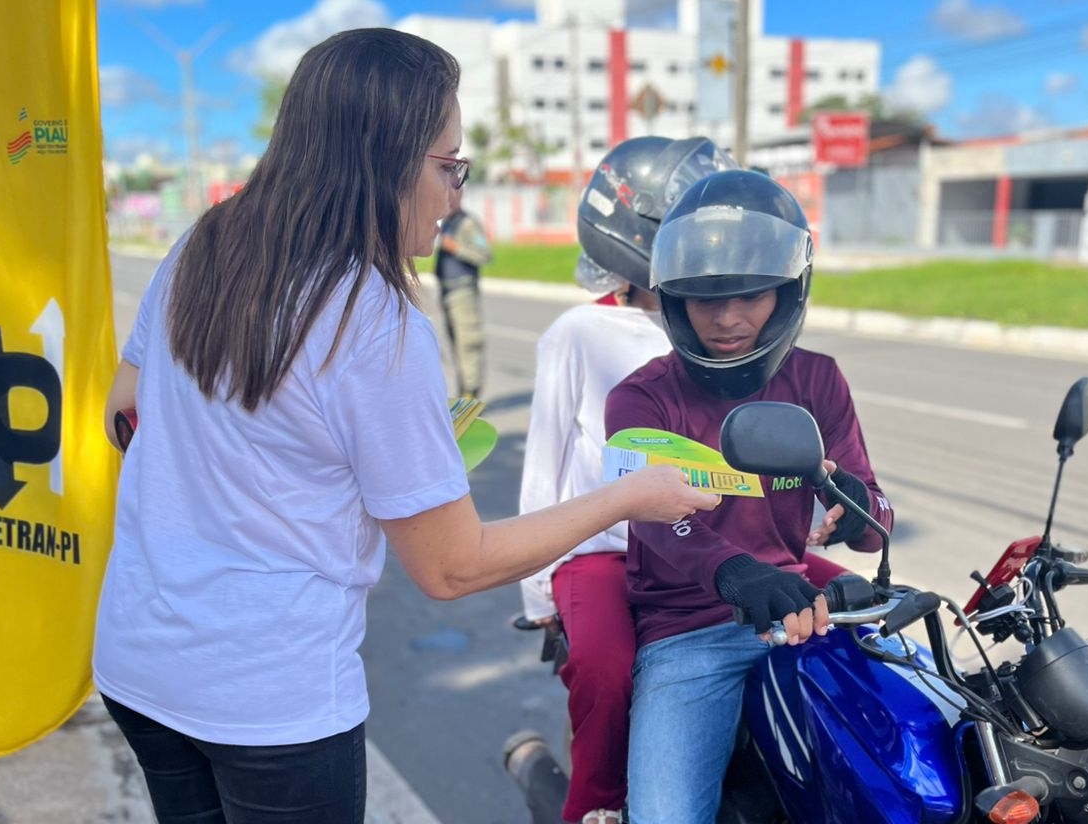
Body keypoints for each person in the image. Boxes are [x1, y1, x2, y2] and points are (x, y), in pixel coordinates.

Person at [94, 28, 717, 824]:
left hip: (140, 660)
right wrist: (625, 500)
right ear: (382, 159)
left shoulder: (202, 243)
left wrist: (244, 455)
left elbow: (126, 408)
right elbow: (450, 569)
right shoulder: (372, 319)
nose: (459, 193)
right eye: (449, 165)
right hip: (266, 701)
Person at [603, 168, 895, 824]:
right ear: (673, 299)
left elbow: (876, 519)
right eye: (705, 297)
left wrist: (855, 510)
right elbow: (649, 517)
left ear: (787, 292)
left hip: (802, 621)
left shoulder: (818, 380)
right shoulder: (640, 398)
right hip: (687, 633)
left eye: (751, 294)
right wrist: (732, 571)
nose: (727, 319)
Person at [517, 136, 739, 824]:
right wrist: (538, 590)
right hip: (602, 552)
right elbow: (544, 461)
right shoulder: (579, 333)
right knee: (609, 672)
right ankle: (595, 807)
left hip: (711, 551)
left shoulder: (728, 331)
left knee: (836, 626)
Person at [435, 185, 491, 398]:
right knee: (456, 347)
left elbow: (484, 254)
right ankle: (463, 396)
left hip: (463, 293)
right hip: (449, 293)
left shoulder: (468, 224)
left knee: (469, 345)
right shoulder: (448, 223)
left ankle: (471, 397)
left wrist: (456, 248)